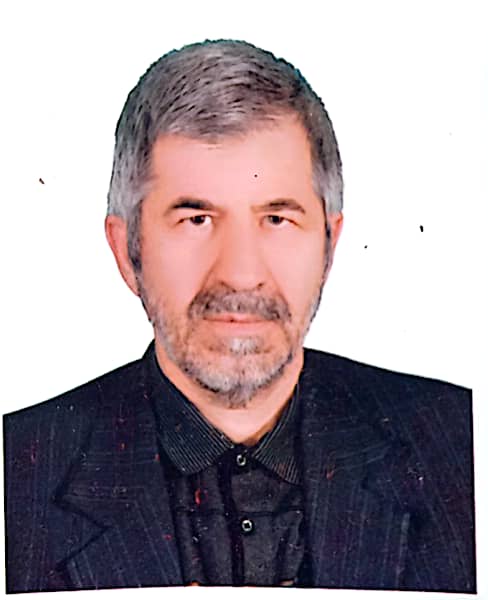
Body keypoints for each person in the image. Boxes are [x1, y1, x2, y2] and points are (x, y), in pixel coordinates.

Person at [3, 39, 475, 593]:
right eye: (196, 219)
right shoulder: (15, 476)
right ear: (127, 252)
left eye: (277, 219)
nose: (241, 274)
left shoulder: (464, 449)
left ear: (329, 246)